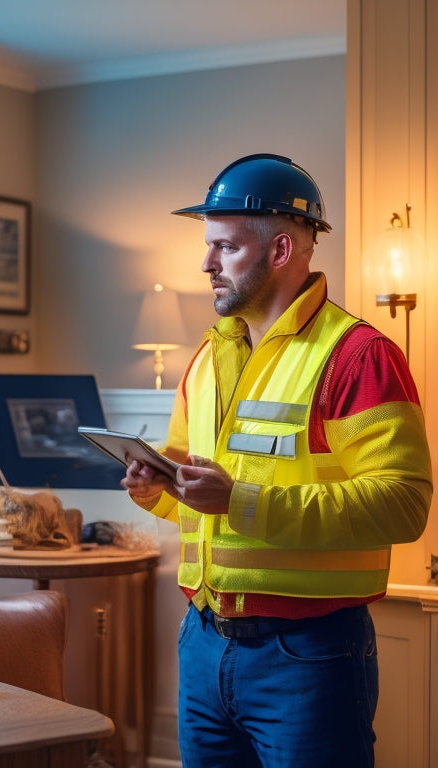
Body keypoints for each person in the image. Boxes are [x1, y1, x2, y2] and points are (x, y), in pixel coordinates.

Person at [122, 154, 432, 768]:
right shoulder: (206, 359)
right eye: (208, 246)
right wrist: (154, 485)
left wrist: (241, 501)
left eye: (225, 248)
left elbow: (403, 504)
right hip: (203, 643)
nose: (206, 264)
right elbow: (191, 487)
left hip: (310, 654)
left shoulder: (358, 356)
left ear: (282, 250)